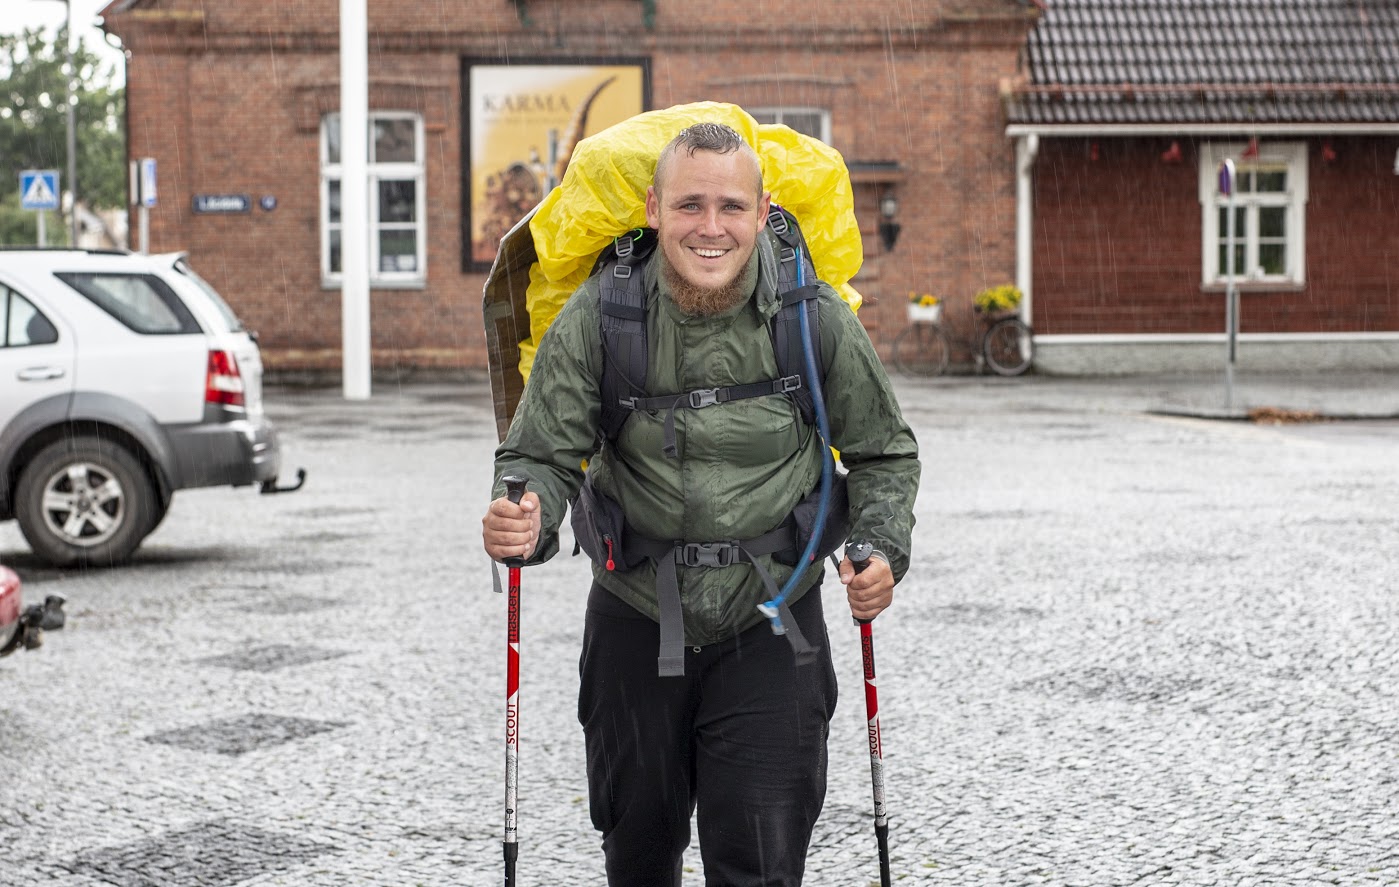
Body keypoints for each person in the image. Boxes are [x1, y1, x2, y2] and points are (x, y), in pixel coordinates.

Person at [482, 121, 919, 886]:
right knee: (638, 854)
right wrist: (526, 517)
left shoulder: (809, 317)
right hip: (634, 617)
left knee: (758, 860)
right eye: (689, 205)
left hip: (774, 620)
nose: (709, 228)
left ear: (761, 210)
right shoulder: (601, 314)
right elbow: (540, 453)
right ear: (653, 208)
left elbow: (883, 451)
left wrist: (880, 544)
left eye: (728, 206)